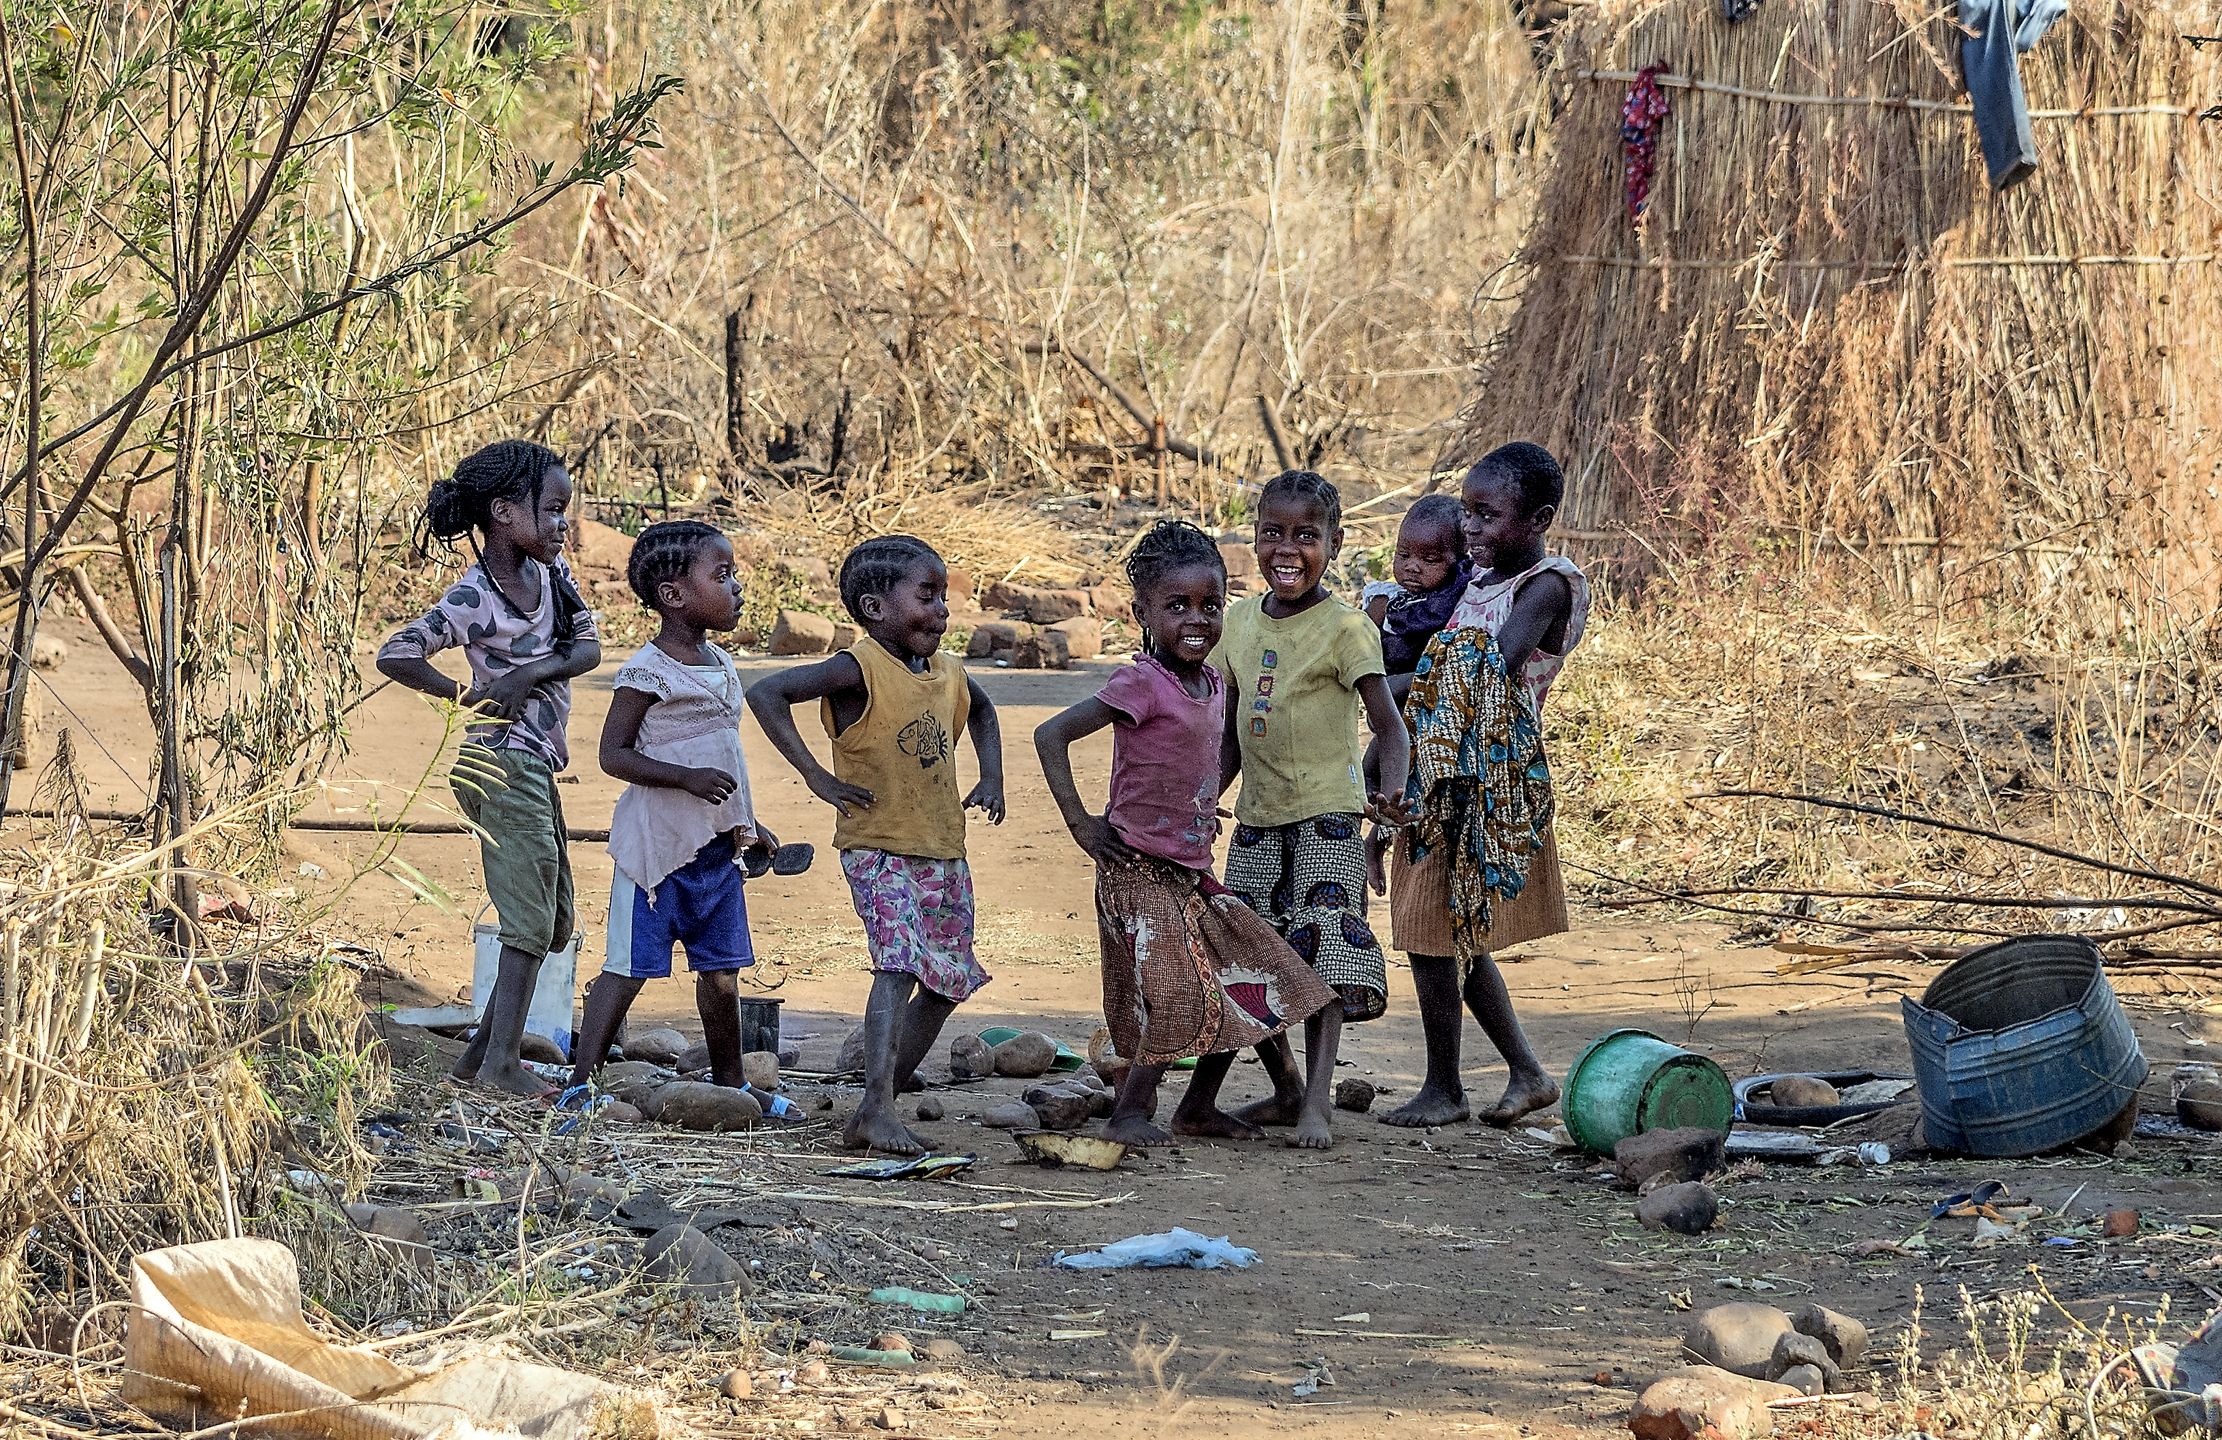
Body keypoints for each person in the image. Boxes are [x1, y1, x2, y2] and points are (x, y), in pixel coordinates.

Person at [1034, 520, 1337, 1147]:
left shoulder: (1214, 682)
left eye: (1210, 605)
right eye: (1176, 606)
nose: (1196, 620)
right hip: (1138, 872)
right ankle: (1130, 1113)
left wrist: (1202, 802)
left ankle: (1203, 1106)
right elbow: (1051, 734)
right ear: (1142, 612)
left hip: (1191, 873)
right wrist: (1082, 824)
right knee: (1174, 996)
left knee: (1257, 973)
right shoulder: (1143, 682)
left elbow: (1201, 756)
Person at [747, 536, 1005, 1154]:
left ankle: (886, 1086)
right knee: (897, 966)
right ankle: (875, 1107)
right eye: (927, 596)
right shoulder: (857, 668)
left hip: (943, 845)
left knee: (947, 978)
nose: (942, 611)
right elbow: (766, 693)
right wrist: (816, 775)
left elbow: (984, 712)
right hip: (878, 846)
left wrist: (992, 774)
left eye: (943, 597)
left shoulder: (948, 671)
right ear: (875, 607)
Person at [377, 439, 601, 1098]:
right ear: (504, 512)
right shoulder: (475, 596)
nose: (563, 525)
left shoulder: (553, 578)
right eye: (552, 510)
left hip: (534, 765)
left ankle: (477, 1061)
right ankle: (502, 1062)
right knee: (529, 921)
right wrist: (465, 696)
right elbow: (397, 653)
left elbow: (587, 649)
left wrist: (528, 674)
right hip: (500, 764)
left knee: (552, 922)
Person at [1380, 441, 1590, 1130]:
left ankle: (1448, 1087)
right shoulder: (1471, 578)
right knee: (1442, 933)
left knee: (1438, 936)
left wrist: (1377, 685)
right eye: (1466, 512)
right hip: (1437, 773)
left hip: (1488, 782)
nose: (1469, 527)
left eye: (1486, 515)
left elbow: (1485, 670)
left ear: (1540, 519)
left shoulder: (1547, 586)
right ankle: (1524, 1074)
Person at [562, 520, 795, 1118]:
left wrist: (749, 825)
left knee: (722, 973)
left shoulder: (721, 664)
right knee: (625, 969)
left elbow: (726, 759)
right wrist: (683, 778)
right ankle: (580, 1084)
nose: (737, 588)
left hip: (715, 853)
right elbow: (613, 755)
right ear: (673, 595)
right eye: (722, 576)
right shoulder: (647, 671)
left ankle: (733, 1086)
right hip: (655, 855)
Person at [1213, 470, 1413, 1149]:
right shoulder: (1238, 623)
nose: (1287, 550)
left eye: (1306, 535)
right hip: (1257, 817)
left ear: (1336, 542)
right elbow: (1230, 730)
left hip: (1329, 816)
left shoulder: (1347, 628)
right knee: (1250, 952)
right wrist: (1203, 799)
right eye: (1272, 533)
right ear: (1254, 538)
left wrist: (1391, 795)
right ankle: (1286, 1087)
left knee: (1325, 953)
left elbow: (1389, 727)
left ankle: (1317, 1104)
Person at [1362, 494, 1474, 676]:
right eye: (1404, 555)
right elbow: (1355, 643)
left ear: (1459, 559)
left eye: (1429, 560)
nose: (1412, 567)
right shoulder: (1386, 600)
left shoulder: (1462, 598)